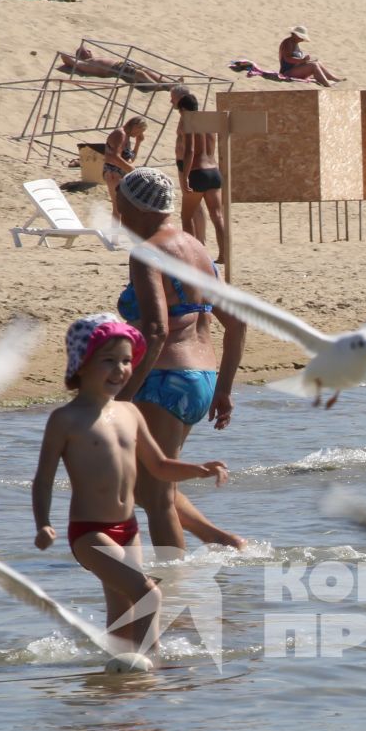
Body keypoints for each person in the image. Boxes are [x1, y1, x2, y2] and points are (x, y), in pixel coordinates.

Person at [31, 313, 230, 654]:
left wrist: (197, 469)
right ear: (81, 364)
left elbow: (160, 466)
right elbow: (43, 479)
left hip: (129, 529)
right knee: (149, 593)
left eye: (126, 361)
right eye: (108, 361)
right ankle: (149, 666)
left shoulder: (130, 413)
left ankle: (117, 685)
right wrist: (44, 524)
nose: (120, 369)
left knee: (122, 614)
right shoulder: (65, 420)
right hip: (90, 533)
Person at [112, 168, 248, 553]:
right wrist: (223, 389)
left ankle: (174, 587)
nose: (115, 205)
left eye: (119, 198)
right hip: (199, 379)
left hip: (162, 379)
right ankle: (221, 540)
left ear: (132, 204)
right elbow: (235, 325)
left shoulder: (147, 252)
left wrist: (122, 396)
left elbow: (155, 331)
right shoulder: (197, 248)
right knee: (150, 484)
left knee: (154, 498)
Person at [171, 88, 226, 262]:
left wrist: (186, 175)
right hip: (214, 171)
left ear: (184, 110)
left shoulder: (189, 122)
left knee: (186, 216)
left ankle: (192, 256)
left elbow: (190, 151)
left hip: (197, 172)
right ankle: (224, 255)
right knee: (217, 216)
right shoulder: (208, 123)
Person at [102, 116, 147, 210]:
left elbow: (130, 159)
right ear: (135, 126)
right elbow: (114, 157)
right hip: (113, 173)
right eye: (140, 131)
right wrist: (132, 170)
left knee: (122, 208)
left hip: (121, 174)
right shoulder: (120, 134)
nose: (140, 134)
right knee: (118, 207)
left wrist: (138, 142)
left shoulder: (126, 136)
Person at [278, 26, 343, 86]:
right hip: (287, 71)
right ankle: (327, 84)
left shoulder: (293, 42)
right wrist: (302, 60)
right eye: (301, 38)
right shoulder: (287, 43)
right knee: (313, 66)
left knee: (317, 62)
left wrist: (305, 60)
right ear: (296, 35)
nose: (302, 40)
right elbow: (287, 59)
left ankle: (332, 78)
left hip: (294, 68)